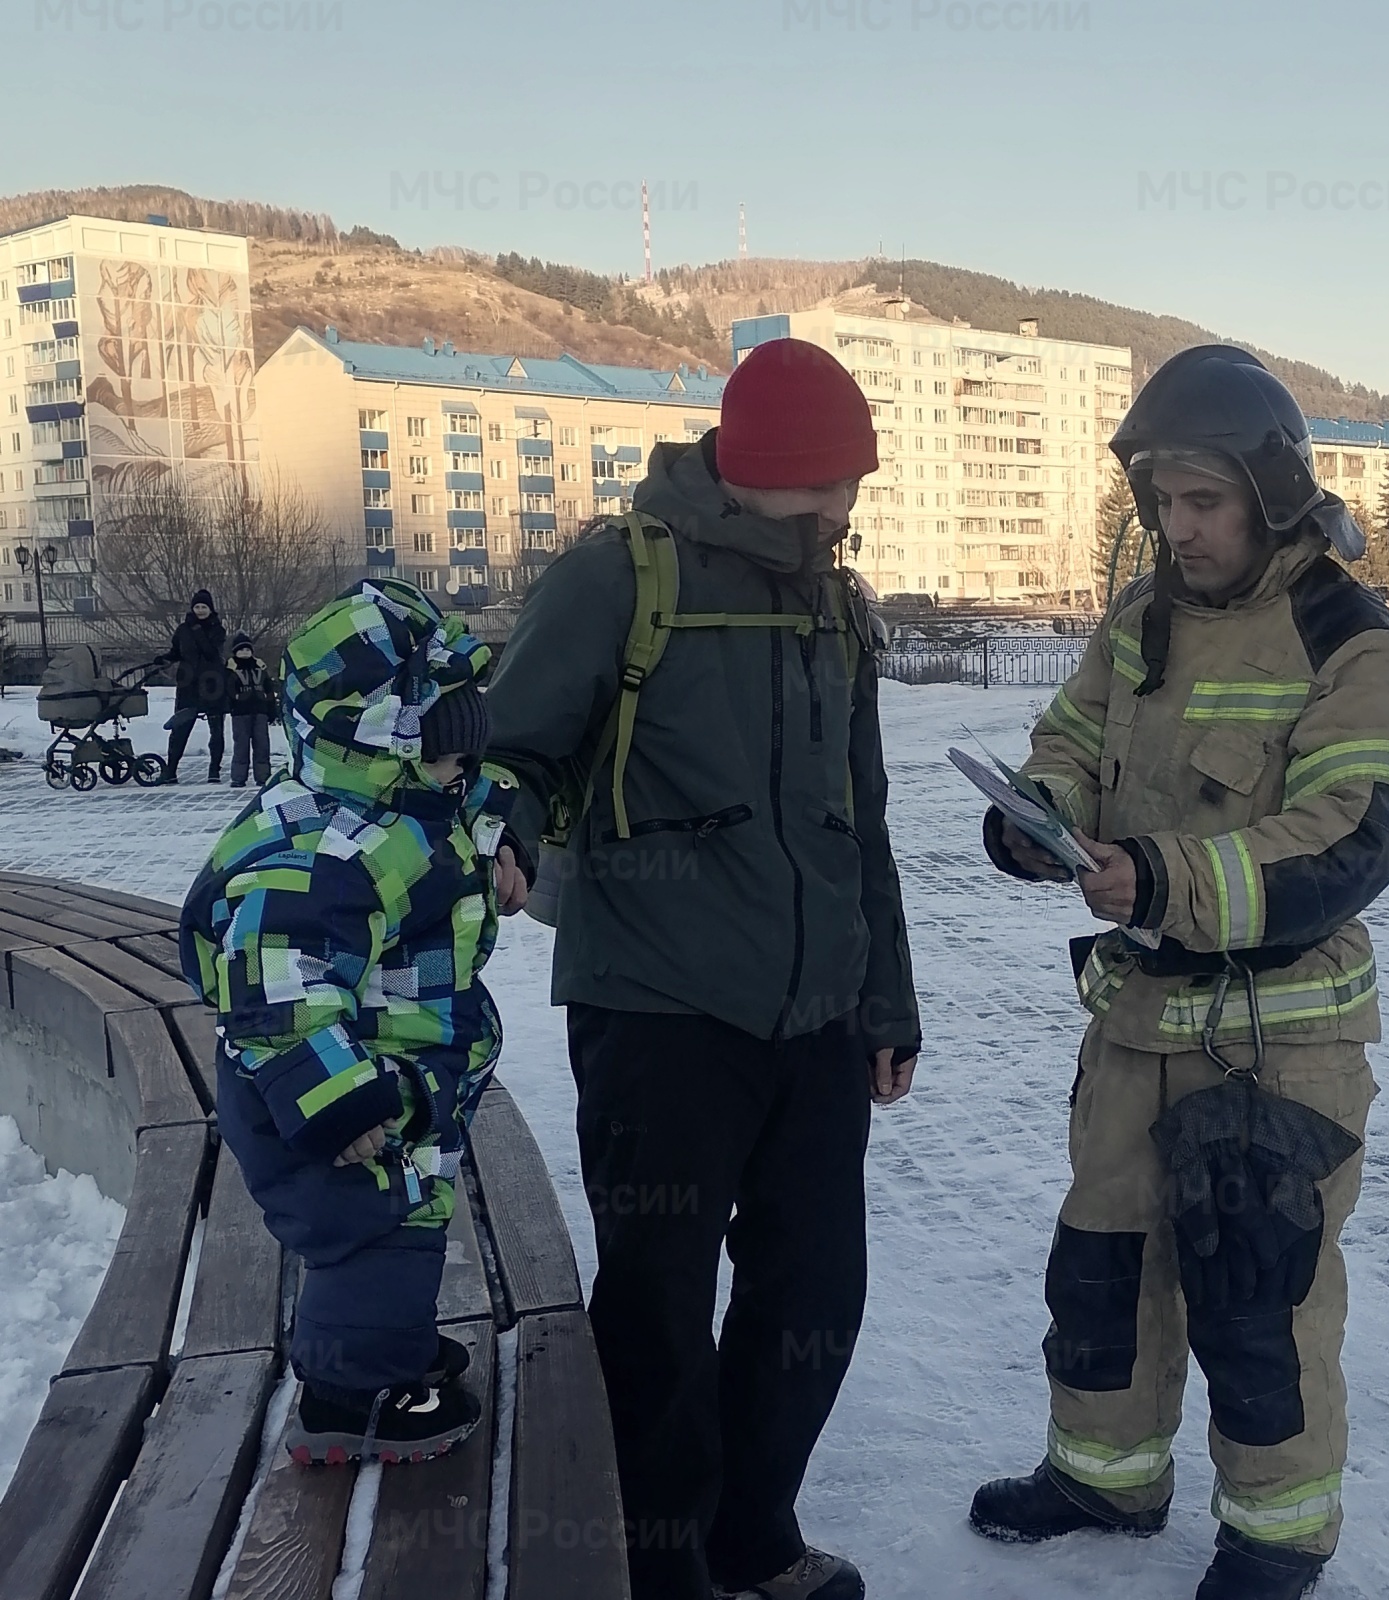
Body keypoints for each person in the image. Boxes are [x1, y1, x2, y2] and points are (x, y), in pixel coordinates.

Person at [967, 347, 1389, 1600]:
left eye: (1203, 501)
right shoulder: (1141, 620)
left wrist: (1162, 880)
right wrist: (1036, 814)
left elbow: (1349, 837)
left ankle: (1277, 1537)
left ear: (1271, 491)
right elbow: (1066, 739)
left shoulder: (1353, 639)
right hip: (1134, 1026)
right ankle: (1103, 1479)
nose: (1179, 527)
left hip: (1277, 1043)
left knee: (1256, 1296)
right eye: (1163, 502)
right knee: (1105, 1264)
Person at [483, 336, 921, 1600]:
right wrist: (501, 833)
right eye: (828, 483)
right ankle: (660, 1564)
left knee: (815, 1293)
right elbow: (517, 746)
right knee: (659, 1309)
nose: (844, 509)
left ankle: (752, 1529)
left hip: (817, 1017)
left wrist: (884, 998)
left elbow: (864, 819)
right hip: (658, 1009)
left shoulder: (836, 606)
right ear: (761, 466)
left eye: (853, 485)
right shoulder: (621, 578)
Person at [178, 577, 511, 1464]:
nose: (460, 778)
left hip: (388, 1074)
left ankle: (382, 1345)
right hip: (336, 1093)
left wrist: (504, 828)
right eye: (446, 760)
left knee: (402, 1223)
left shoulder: (394, 806)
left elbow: (458, 821)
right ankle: (350, 1398)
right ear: (385, 744)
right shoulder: (327, 849)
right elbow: (275, 983)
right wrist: (341, 1101)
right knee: (372, 1234)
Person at [162, 587, 230, 784]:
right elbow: (176, 652)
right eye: (197, 607)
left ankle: (214, 769)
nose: (200, 610)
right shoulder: (183, 630)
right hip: (188, 683)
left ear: (210, 609)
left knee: (215, 729)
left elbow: (210, 652)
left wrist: (198, 629)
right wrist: (163, 659)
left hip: (211, 683)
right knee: (180, 727)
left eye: (204, 607)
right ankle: (171, 769)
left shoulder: (217, 629)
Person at [225, 632, 279, 788]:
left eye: (247, 650)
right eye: (241, 650)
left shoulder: (260, 667)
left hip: (260, 711)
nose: (245, 653)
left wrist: (271, 709)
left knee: (262, 745)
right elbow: (226, 688)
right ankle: (238, 777)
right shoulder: (230, 668)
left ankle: (263, 776)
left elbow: (268, 688)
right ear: (235, 652)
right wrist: (234, 701)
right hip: (240, 713)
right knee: (241, 746)